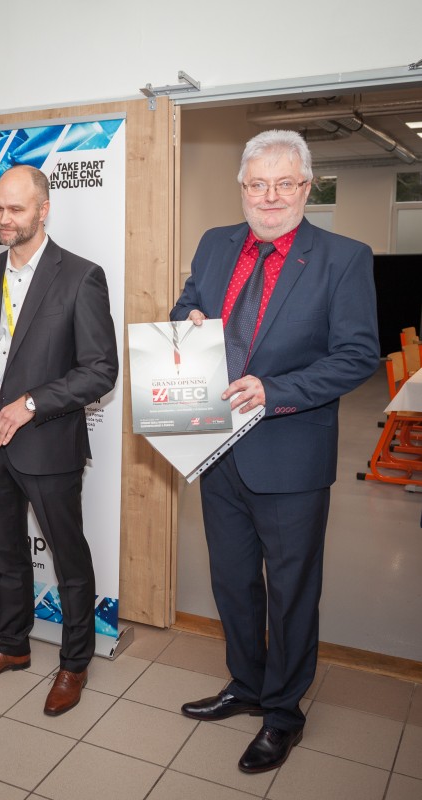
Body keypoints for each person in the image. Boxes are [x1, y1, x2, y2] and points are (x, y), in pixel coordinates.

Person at [171, 130, 379, 773]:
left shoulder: (344, 257)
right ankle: (247, 683)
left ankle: (284, 712)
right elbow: (186, 307)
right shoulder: (215, 243)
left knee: (290, 592)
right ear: (242, 187)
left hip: (290, 455)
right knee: (232, 581)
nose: (270, 196)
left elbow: (358, 355)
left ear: (306, 188)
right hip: (216, 447)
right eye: (258, 183)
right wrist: (187, 325)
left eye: (285, 183)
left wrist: (275, 392)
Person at [0, 164, 118, 716]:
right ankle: (13, 645)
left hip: (47, 444)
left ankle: (74, 663)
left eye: (15, 209)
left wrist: (30, 404)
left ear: (44, 211)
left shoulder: (81, 277)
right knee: (6, 553)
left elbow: (100, 371)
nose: (3, 219)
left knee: (69, 560)